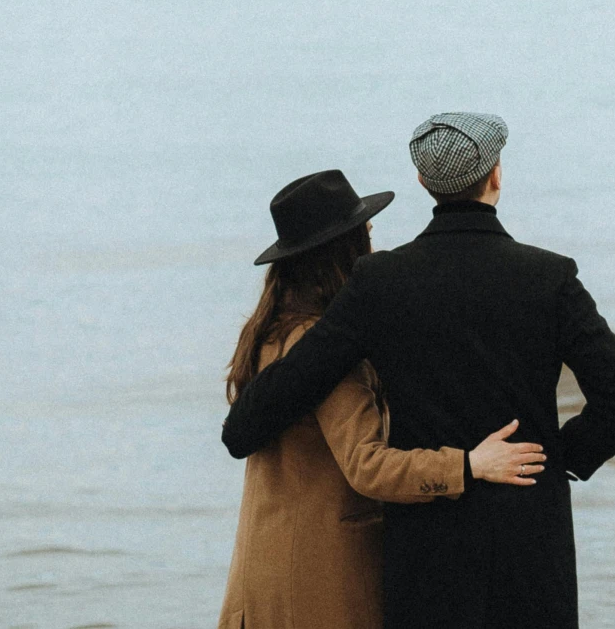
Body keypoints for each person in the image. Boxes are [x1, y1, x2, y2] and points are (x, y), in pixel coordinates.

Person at [223, 115, 615, 629]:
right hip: (530, 541)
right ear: (497, 175)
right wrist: (556, 461)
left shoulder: (379, 283)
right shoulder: (549, 275)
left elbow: (267, 407)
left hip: (426, 550)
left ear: (424, 184)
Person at [218, 168, 546, 629]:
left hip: (266, 576)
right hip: (319, 587)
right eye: (367, 235)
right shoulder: (325, 350)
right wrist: (470, 465)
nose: (374, 250)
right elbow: (367, 466)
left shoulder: (271, 332)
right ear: (344, 250)